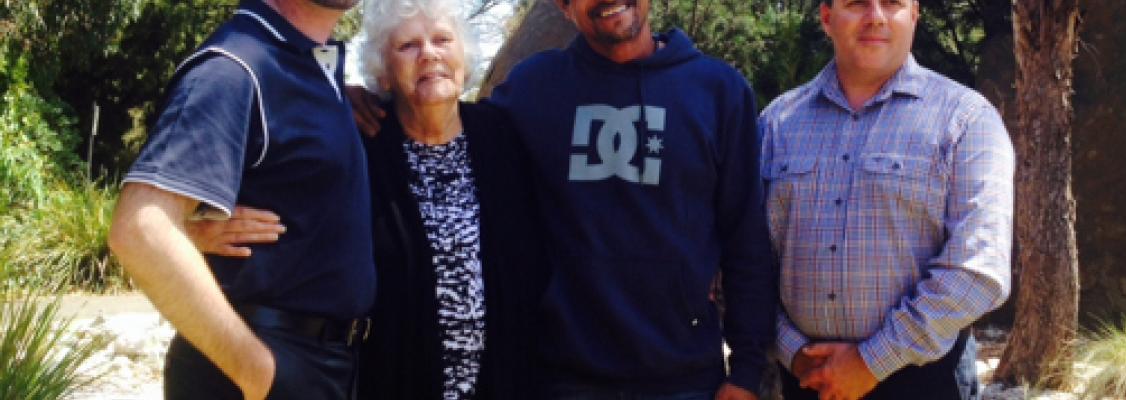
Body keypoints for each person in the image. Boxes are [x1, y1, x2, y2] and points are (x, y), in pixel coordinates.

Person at [354, 0, 779, 397]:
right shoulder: (533, 89)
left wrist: (745, 372)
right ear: (564, 7)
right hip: (560, 379)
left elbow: (747, 242)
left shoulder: (720, 92)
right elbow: (439, 116)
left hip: (686, 379)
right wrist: (354, 100)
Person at [190, 0, 548, 398]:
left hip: (502, 380)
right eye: (408, 46)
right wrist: (194, 229)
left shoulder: (502, 138)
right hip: (389, 380)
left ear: (465, 56)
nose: (429, 54)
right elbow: (288, 201)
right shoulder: (359, 141)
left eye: (443, 40)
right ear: (385, 74)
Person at [106, 0, 373, 399]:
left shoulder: (311, 66)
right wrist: (259, 374)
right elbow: (142, 229)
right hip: (259, 365)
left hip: (326, 364)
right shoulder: (234, 65)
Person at [757, 0, 1014, 399]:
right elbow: (746, 261)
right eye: (857, 2)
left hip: (927, 380)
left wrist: (871, 361)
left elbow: (979, 269)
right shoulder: (776, 125)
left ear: (914, 13)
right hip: (808, 379)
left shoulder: (966, 120)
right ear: (827, 17)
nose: (875, 16)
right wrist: (794, 352)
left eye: (892, 3)